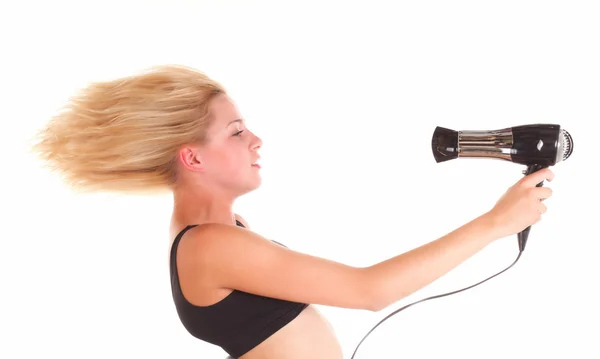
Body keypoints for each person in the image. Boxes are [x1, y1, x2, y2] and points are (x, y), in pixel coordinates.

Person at [32, 65, 555, 359]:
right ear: (191, 157)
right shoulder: (212, 246)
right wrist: (495, 223)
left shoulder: (221, 232)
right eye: (236, 131)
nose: (256, 140)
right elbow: (367, 291)